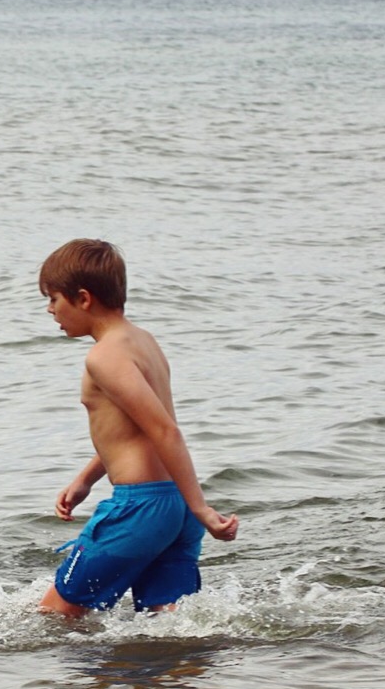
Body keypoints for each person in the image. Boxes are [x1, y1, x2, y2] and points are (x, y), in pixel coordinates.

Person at [37, 239, 237, 618]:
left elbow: (165, 431)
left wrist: (204, 509)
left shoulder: (104, 356)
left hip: (141, 507)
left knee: (54, 616)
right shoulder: (142, 341)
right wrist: (86, 480)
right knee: (167, 623)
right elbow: (137, 430)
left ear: (83, 298)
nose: (50, 310)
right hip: (175, 505)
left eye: (53, 299)